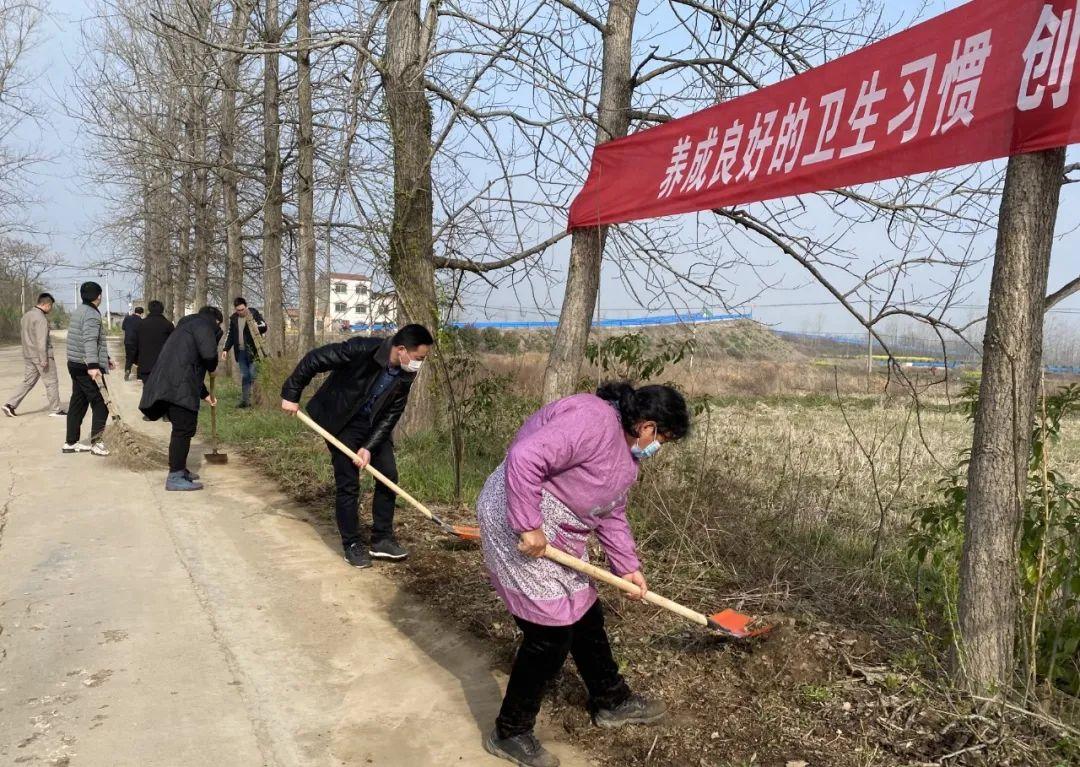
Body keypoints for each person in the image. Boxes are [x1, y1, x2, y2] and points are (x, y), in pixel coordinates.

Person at [477, 382, 690, 767]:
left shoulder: (628, 458)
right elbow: (524, 458)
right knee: (550, 634)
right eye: (664, 438)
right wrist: (527, 524)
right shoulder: (592, 420)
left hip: (559, 530)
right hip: (518, 518)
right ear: (647, 426)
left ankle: (610, 699)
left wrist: (629, 568)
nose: (660, 447)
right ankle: (510, 731)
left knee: (587, 615)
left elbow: (610, 513)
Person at [280, 323, 433, 568]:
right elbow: (315, 359)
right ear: (402, 349)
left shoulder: (406, 373)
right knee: (348, 481)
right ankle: (351, 543)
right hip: (341, 420)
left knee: (388, 476)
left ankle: (382, 539)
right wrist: (291, 392)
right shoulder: (362, 349)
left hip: (372, 425)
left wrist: (369, 447)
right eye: (418, 358)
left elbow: (393, 412)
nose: (419, 364)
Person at [139, 306, 223, 491]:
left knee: (183, 429)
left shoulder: (187, 327)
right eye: (218, 325)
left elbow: (187, 364)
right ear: (215, 320)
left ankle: (180, 469)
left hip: (172, 384)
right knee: (183, 430)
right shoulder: (204, 326)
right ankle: (175, 476)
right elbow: (208, 355)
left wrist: (205, 394)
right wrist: (213, 366)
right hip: (177, 388)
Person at [64, 281, 115, 456]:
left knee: (78, 402)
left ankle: (70, 442)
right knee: (101, 403)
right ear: (99, 296)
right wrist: (93, 366)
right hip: (86, 365)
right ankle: (96, 443)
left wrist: (105, 359)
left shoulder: (79, 311)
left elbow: (85, 339)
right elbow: (89, 340)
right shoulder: (92, 314)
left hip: (76, 363)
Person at [2, 293, 65, 418]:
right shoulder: (40, 318)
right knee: (51, 382)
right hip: (41, 356)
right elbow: (41, 341)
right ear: (46, 304)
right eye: (51, 306)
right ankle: (56, 409)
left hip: (28, 354)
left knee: (28, 382)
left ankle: (10, 404)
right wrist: (43, 359)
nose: (51, 309)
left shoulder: (26, 316)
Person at [222, 297, 268, 408]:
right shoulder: (234, 319)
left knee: (252, 375)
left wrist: (255, 325)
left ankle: (258, 400)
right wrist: (225, 349)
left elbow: (264, 326)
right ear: (235, 309)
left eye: (242, 309)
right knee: (246, 375)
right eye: (238, 310)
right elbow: (230, 335)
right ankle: (245, 401)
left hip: (254, 352)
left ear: (246, 306)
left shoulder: (254, 314)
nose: (240, 312)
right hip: (241, 353)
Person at [131, 300, 174, 384]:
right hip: (163, 365)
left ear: (149, 309)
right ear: (162, 310)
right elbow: (174, 345)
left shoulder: (141, 324)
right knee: (161, 391)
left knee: (147, 390)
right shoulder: (168, 325)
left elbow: (135, 344)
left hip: (145, 364)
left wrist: (135, 360)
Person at [121, 306, 144, 380]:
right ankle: (139, 375)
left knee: (128, 357)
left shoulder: (127, 318)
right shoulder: (141, 321)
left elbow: (123, 327)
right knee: (138, 358)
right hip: (136, 342)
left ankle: (127, 370)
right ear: (141, 313)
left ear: (135, 311)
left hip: (127, 341)